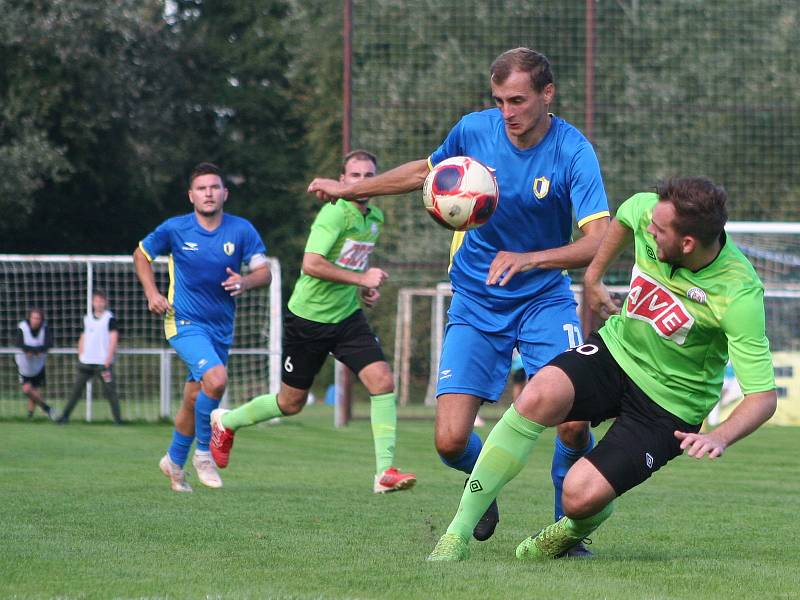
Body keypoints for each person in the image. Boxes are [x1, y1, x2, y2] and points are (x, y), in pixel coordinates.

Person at [308, 49, 609, 544]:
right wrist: (349, 190)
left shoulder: (573, 151)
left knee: (574, 425)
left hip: (544, 300)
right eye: (499, 100)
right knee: (448, 442)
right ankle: (482, 487)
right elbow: (421, 174)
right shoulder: (474, 130)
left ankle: (567, 533)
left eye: (518, 100)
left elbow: (599, 238)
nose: (507, 112)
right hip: (477, 298)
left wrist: (531, 259)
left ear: (547, 94)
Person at [427, 176, 778, 561]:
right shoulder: (649, 210)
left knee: (579, 496)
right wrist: (593, 278)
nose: (650, 230)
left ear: (687, 244)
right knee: (539, 393)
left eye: (659, 231)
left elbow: (762, 397)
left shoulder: (739, 293)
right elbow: (626, 217)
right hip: (615, 352)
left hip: (669, 405)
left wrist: (721, 436)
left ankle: (578, 523)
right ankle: (455, 537)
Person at [209, 150, 417, 494]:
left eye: (370, 175)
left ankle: (384, 473)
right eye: (355, 175)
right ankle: (226, 421)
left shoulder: (374, 217)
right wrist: (362, 279)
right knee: (290, 404)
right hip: (308, 319)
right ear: (342, 180)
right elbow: (312, 265)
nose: (363, 182)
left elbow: (350, 266)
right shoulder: (334, 214)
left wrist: (363, 291)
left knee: (382, 380)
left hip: (347, 318)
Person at [133, 162, 271, 493]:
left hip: (220, 328)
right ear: (191, 195)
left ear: (225, 193)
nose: (208, 193)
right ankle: (204, 454)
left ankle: (174, 462)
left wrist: (246, 281)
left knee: (194, 397)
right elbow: (141, 254)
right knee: (217, 379)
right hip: (182, 321)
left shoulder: (241, 230)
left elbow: (264, 273)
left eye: (214, 187)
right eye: (201, 188)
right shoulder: (175, 229)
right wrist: (152, 293)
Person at [58, 290, 123, 424]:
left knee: (110, 392)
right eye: (96, 301)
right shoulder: (87, 319)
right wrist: (81, 354)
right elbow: (82, 337)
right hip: (86, 362)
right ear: (92, 303)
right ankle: (64, 417)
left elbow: (113, 338)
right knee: (76, 391)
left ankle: (118, 420)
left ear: (105, 302)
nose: (98, 303)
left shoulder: (109, 318)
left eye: (101, 301)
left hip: (103, 364)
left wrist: (108, 358)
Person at [15, 307, 55, 419]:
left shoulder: (44, 328)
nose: (36, 320)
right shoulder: (22, 327)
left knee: (35, 390)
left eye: (38, 318)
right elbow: (19, 344)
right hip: (24, 365)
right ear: (30, 318)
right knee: (27, 389)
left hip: (38, 365)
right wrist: (29, 351)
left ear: (41, 319)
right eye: (34, 318)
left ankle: (30, 416)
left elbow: (48, 344)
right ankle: (48, 408)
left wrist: (37, 351)